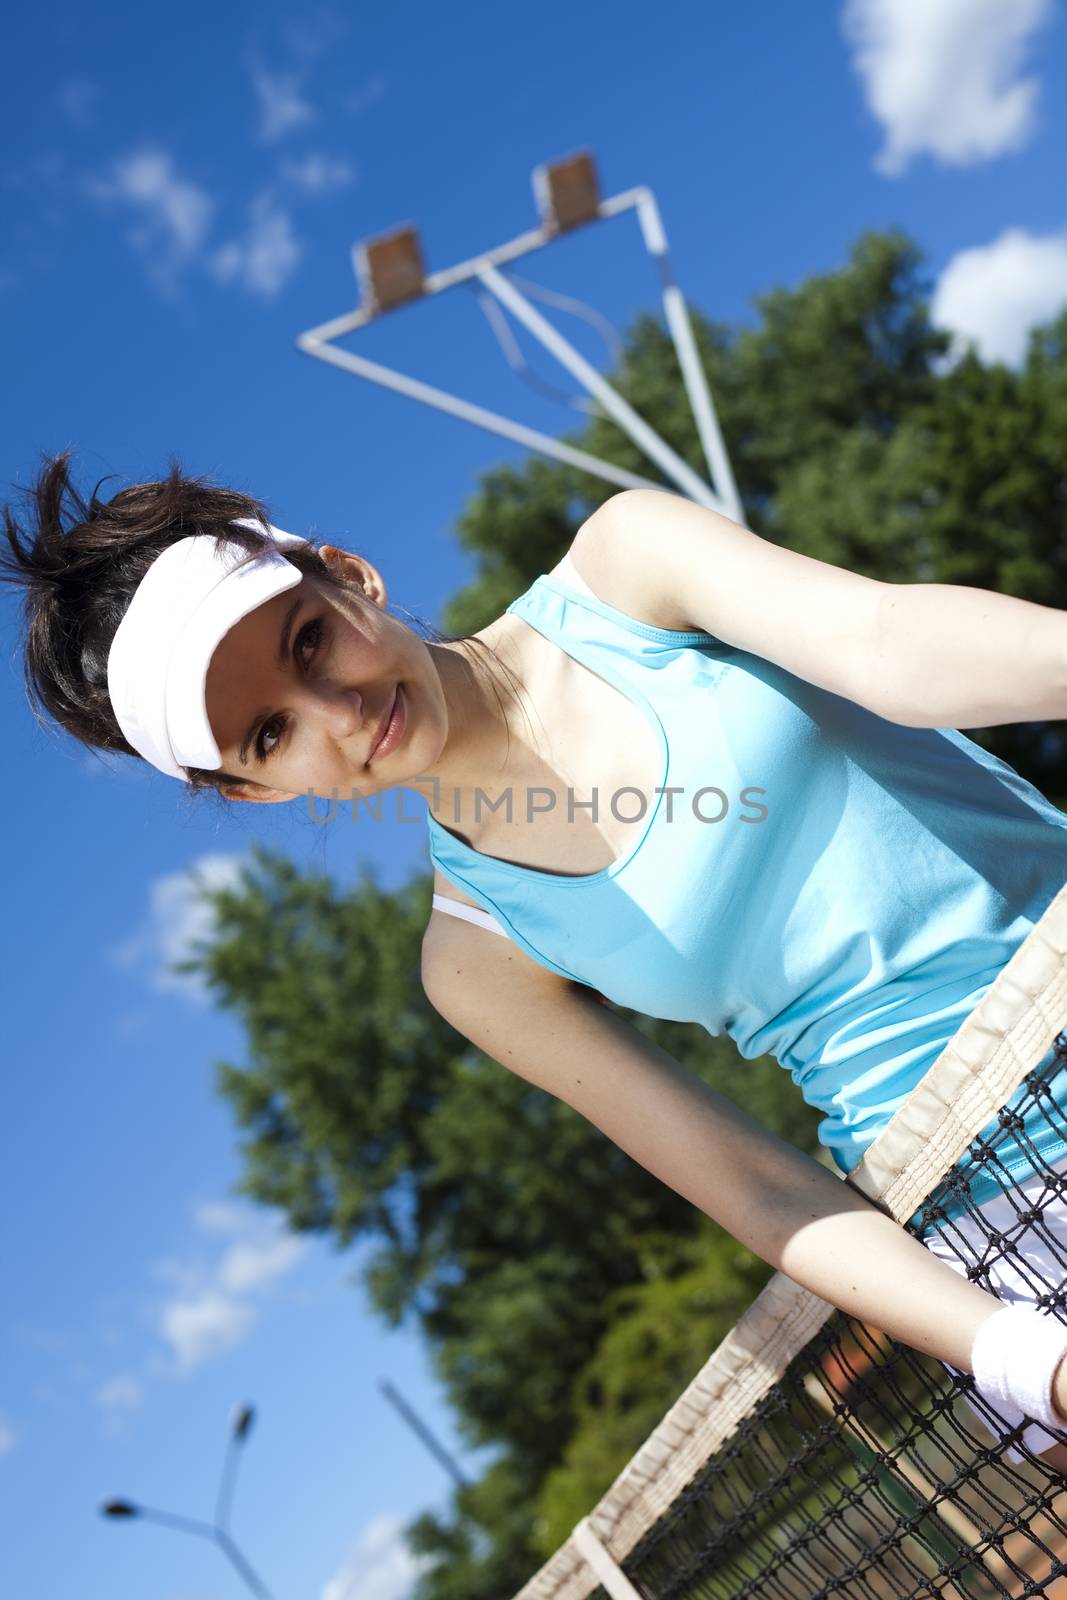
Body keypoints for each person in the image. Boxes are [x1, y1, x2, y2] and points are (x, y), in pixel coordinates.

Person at [6, 449, 1067, 1472]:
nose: (339, 715)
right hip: (1005, 1194)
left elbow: (890, 643)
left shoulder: (626, 565)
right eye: (273, 734)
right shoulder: (469, 962)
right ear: (255, 791)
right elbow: (761, 1190)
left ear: (346, 574)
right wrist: (1015, 1348)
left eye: (309, 643)